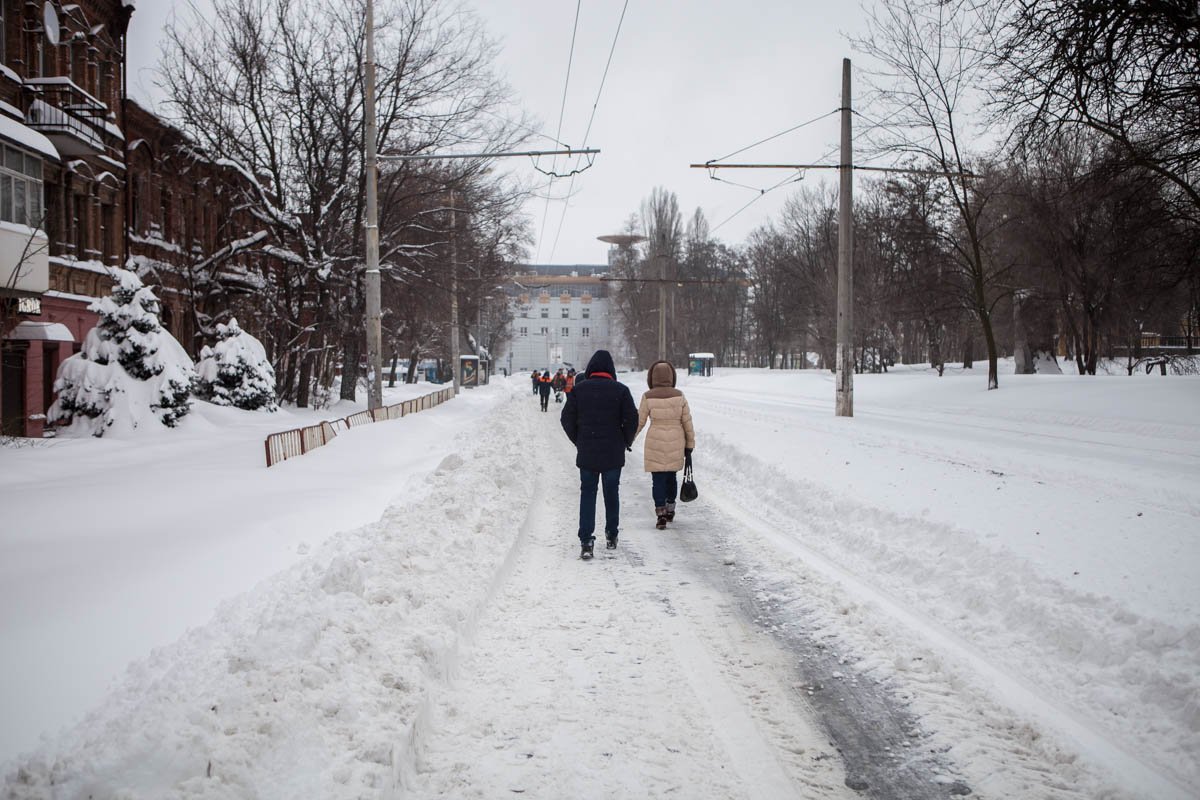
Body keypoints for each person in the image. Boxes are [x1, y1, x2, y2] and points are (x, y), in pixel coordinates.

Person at [560, 350, 638, 559]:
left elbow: (566, 419)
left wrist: (579, 440)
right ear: (611, 370)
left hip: (588, 452)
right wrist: (625, 441)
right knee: (611, 493)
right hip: (613, 453)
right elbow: (632, 419)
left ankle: (586, 540)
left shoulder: (579, 390)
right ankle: (611, 534)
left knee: (588, 493)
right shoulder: (621, 391)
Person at [635, 359, 695, 530]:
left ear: (652, 377)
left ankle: (660, 513)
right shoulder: (679, 395)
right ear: (671, 376)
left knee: (658, 480)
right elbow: (687, 422)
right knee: (671, 478)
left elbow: (639, 421)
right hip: (676, 439)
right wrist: (690, 444)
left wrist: (628, 440)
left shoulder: (648, 396)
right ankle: (670, 508)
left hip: (655, 441)